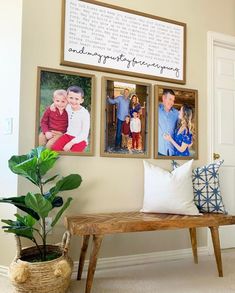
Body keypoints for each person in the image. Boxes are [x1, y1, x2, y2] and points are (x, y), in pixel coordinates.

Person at [51, 85, 90, 152]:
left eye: (77, 99)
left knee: (72, 153)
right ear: (67, 98)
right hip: (68, 135)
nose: (73, 101)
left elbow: (84, 134)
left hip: (80, 139)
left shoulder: (84, 113)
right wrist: (53, 105)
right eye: (71, 98)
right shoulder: (67, 106)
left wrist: (71, 143)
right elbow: (58, 103)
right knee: (54, 149)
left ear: (81, 100)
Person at [158, 89, 178, 156]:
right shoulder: (156, 110)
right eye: (170, 99)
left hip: (173, 151)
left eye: (173, 100)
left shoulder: (176, 113)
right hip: (159, 151)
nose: (172, 103)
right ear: (163, 98)